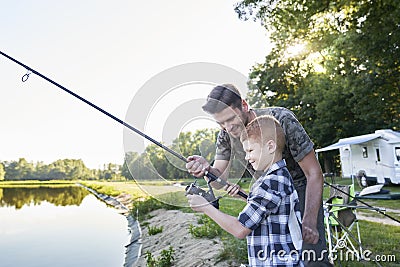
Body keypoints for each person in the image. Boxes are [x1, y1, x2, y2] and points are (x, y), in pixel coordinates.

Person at [186, 84, 331, 266]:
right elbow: (217, 179)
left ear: (244, 106)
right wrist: (205, 169)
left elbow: (314, 172)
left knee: (312, 257)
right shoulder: (225, 135)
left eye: (231, 119)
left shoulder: (281, 119)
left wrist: (309, 219)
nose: (227, 127)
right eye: (221, 123)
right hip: (266, 193)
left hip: (300, 189)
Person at [188, 115, 304, 266]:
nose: (247, 157)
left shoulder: (270, 182)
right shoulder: (278, 176)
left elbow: (240, 229)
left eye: (250, 150)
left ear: (270, 146)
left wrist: (205, 207)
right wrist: (245, 197)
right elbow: (269, 209)